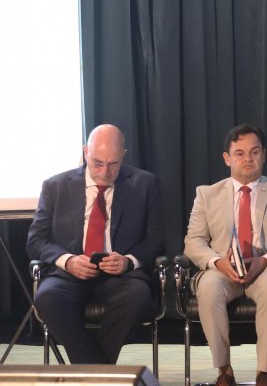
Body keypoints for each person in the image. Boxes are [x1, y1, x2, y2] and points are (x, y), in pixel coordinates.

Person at [183, 123, 267, 386]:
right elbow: (193, 242)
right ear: (227, 158)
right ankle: (224, 373)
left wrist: (265, 260)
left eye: (254, 152)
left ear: (263, 155)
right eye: (239, 153)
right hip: (222, 269)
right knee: (208, 289)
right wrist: (216, 262)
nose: (247, 159)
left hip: (265, 267)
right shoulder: (207, 194)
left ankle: (264, 373)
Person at [26, 124, 164, 365]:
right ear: (85, 152)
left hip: (120, 276)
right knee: (47, 298)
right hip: (70, 273)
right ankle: (100, 374)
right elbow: (36, 239)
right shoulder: (55, 186)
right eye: (98, 162)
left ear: (123, 155)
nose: (104, 171)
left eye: (113, 164)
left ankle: (90, 375)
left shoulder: (145, 184)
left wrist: (128, 261)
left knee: (138, 297)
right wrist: (67, 261)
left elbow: (156, 240)